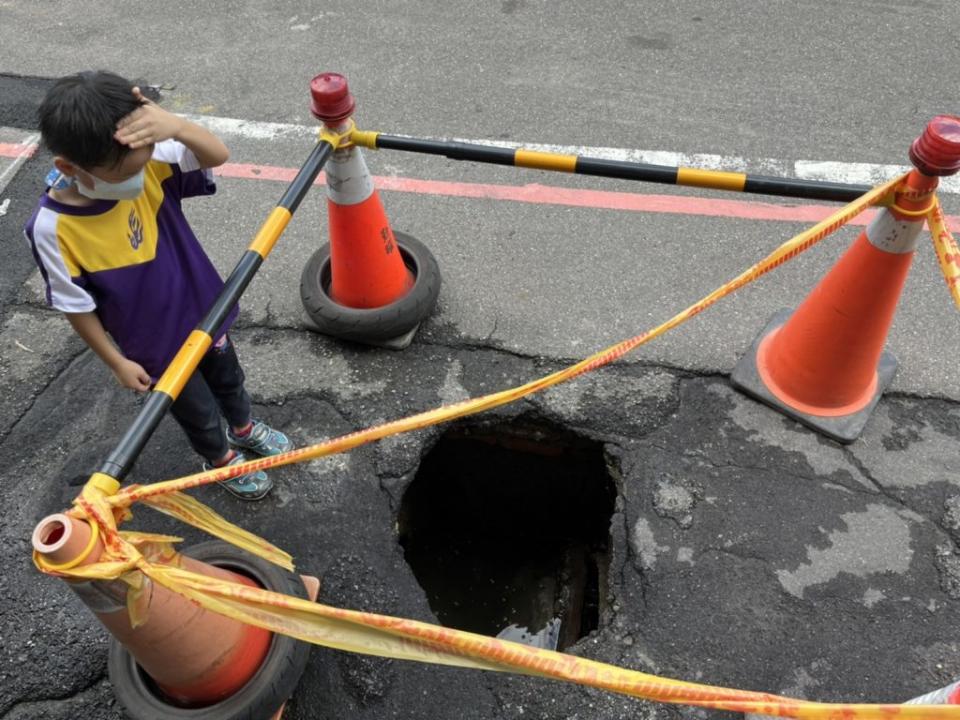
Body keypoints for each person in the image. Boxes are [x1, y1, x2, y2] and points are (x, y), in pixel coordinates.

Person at [24, 70, 290, 500]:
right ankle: (219, 460)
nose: (141, 175)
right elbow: (76, 305)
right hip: (156, 345)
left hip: (206, 309)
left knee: (229, 379)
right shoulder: (52, 229)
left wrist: (177, 126)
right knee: (197, 411)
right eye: (125, 174)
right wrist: (115, 361)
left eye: (147, 159)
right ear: (68, 168)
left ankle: (243, 427)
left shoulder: (143, 156)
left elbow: (216, 154)